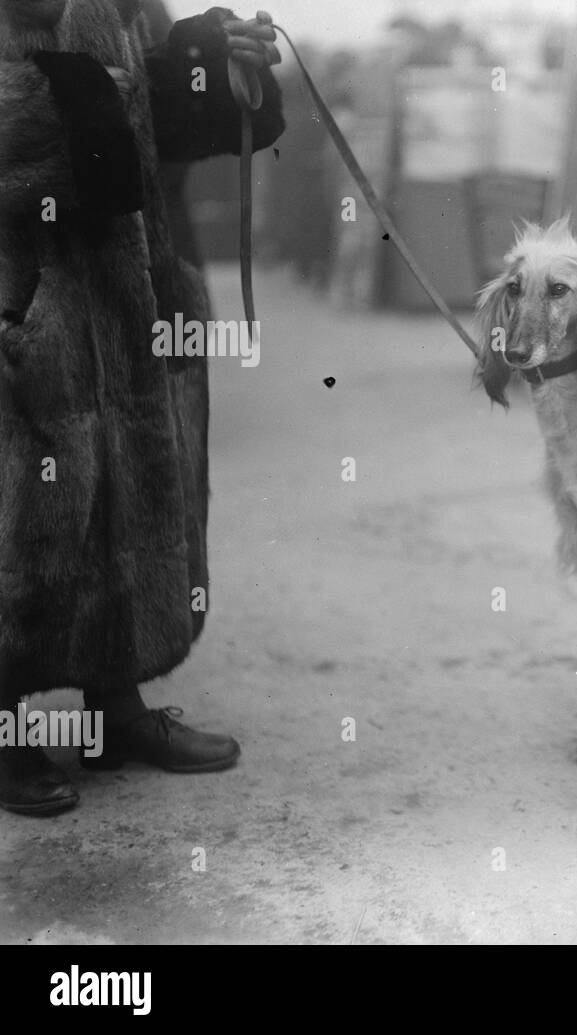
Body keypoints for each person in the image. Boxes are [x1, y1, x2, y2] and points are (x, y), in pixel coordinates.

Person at [0, 1, 285, 815]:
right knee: (26, 521)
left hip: (133, 303)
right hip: (29, 298)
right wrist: (136, 84)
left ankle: (115, 710)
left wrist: (215, 64)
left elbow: (161, 136)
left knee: (121, 502)